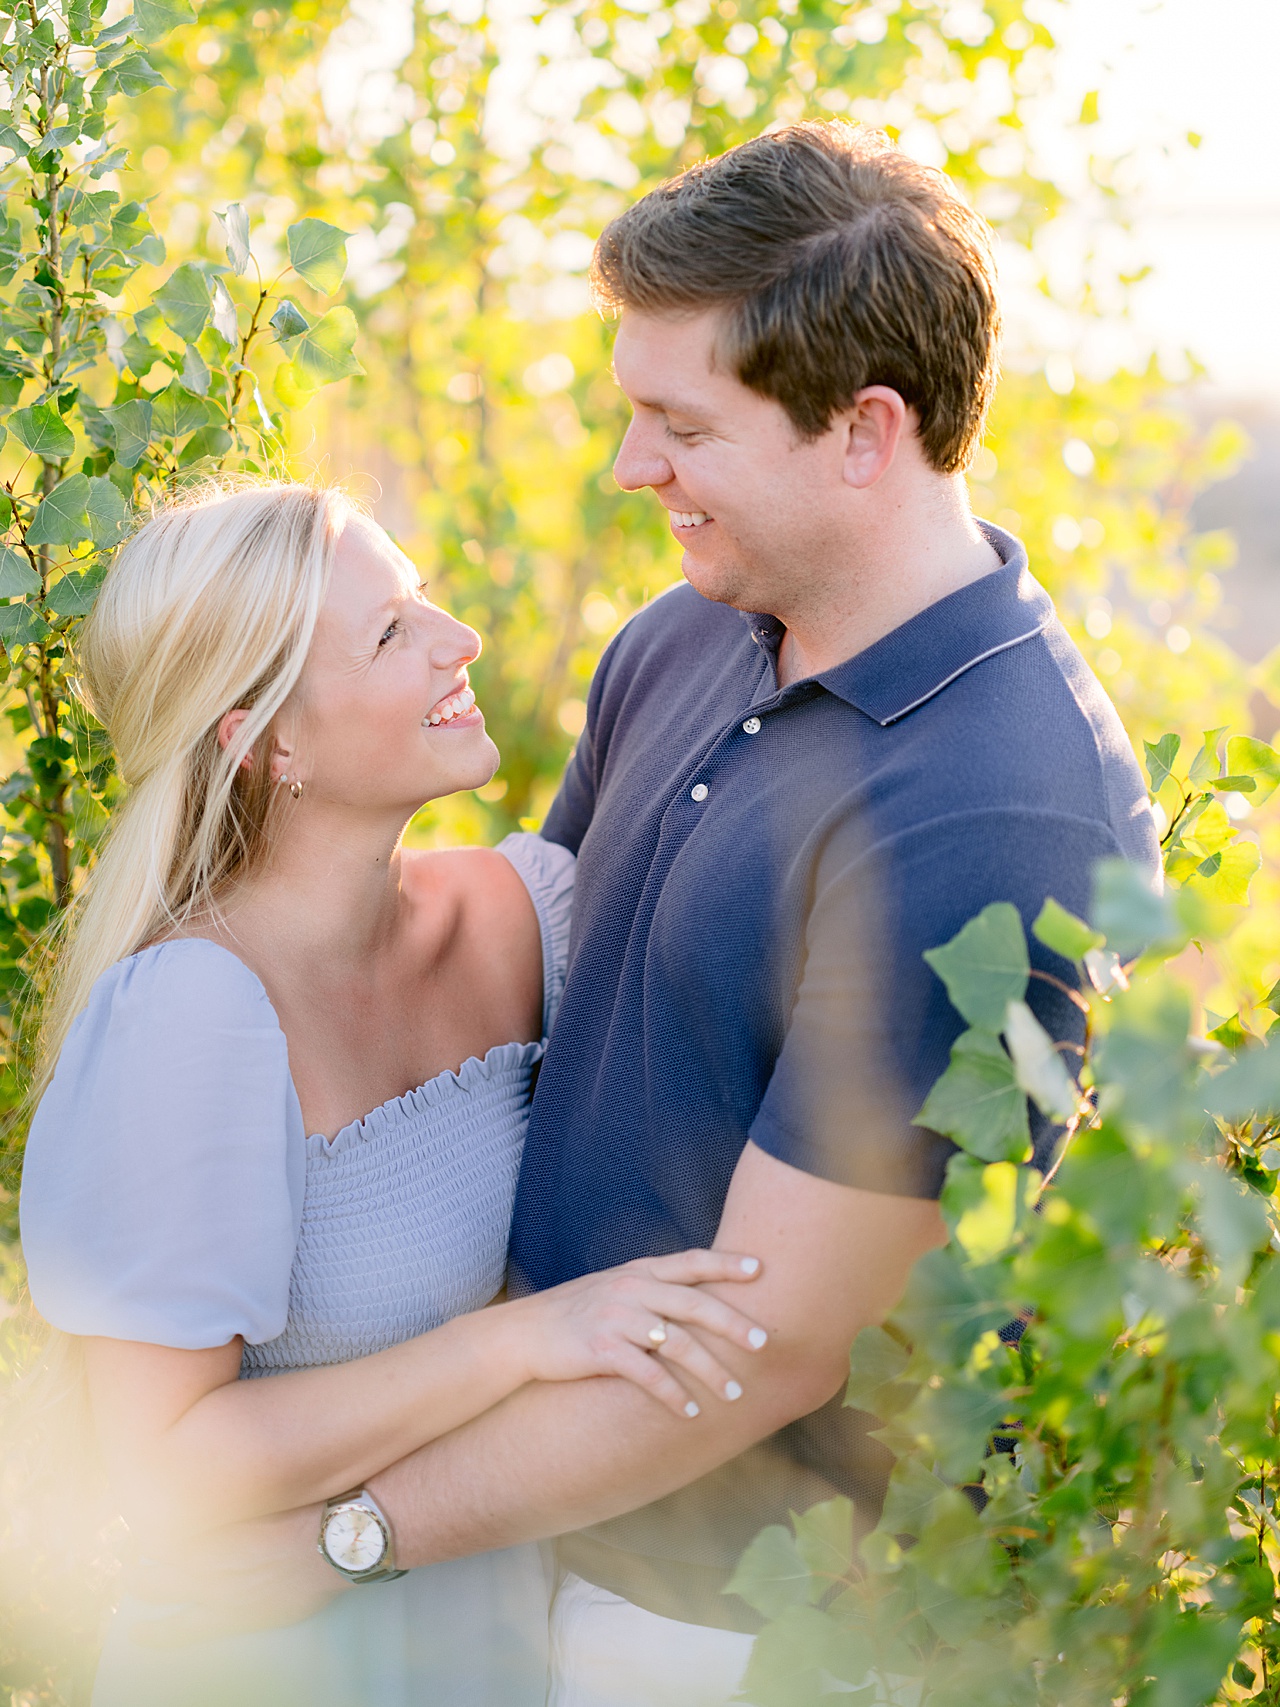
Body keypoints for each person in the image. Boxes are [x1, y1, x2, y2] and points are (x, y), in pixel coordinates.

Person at [113, 121, 1161, 1706]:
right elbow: (537, 1006)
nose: (630, 468)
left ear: (865, 432)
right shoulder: (689, 637)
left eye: (679, 424)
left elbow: (776, 1343)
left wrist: (349, 1534)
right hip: (518, 1543)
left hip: (726, 1626)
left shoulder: (989, 810)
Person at [16, 480, 772, 1707]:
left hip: (501, 1634)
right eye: (388, 632)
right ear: (266, 742)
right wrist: (522, 1343)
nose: (456, 638)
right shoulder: (193, 1016)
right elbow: (164, 1468)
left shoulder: (524, 915)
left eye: (420, 596)